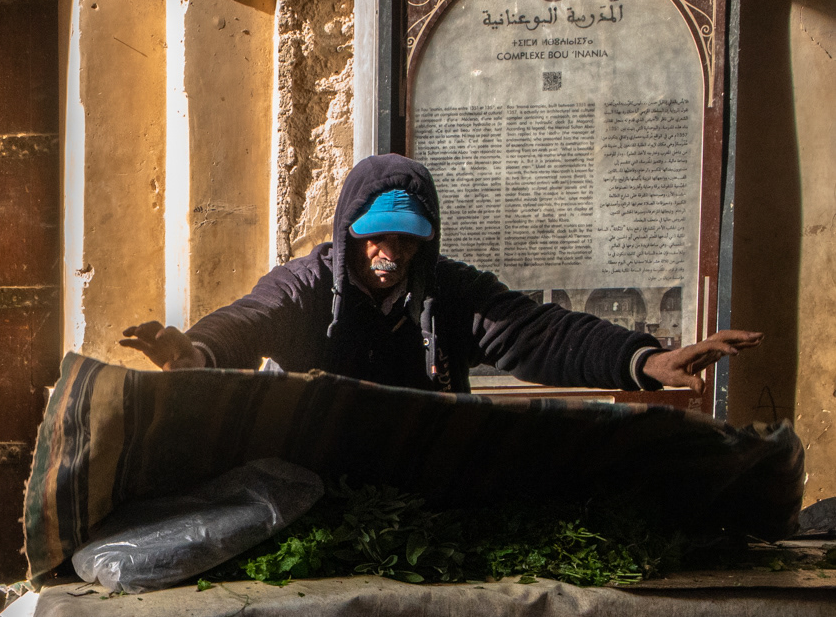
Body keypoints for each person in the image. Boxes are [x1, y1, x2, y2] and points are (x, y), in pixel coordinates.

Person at [121, 152, 760, 393]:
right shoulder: (309, 284)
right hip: (315, 478)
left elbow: (540, 334)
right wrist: (198, 350)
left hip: (420, 476)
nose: (389, 254)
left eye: (406, 241)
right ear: (349, 234)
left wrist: (642, 362)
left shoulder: (451, 292)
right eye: (375, 238)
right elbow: (250, 318)